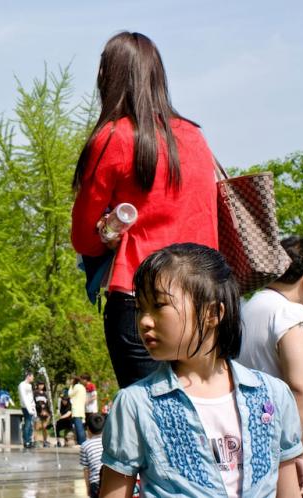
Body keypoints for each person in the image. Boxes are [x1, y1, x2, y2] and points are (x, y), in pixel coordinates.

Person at [71, 32, 220, 389]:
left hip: (143, 296)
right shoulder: (195, 136)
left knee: (149, 422)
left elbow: (83, 239)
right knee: (202, 415)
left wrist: (108, 233)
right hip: (204, 298)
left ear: (109, 75)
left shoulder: (114, 136)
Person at [100, 243, 303, 497]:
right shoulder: (135, 404)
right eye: (141, 308)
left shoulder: (273, 395)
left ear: (212, 313)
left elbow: (288, 491)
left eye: (159, 305)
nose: (144, 320)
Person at [237, 236, 303, 495]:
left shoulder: (247, 309)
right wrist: (300, 456)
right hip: (294, 458)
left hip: (256, 449)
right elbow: (301, 386)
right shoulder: (292, 313)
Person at [80, 413, 106, 498]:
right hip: (108, 479)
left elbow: (86, 470)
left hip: (95, 483)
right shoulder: (108, 442)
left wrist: (88, 487)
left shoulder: (85, 446)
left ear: (88, 429)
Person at [17, 371, 35, 449]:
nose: (33, 378)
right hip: (25, 407)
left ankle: (29, 440)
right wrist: (29, 409)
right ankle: (26, 441)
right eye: (32, 376)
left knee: (30, 424)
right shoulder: (22, 385)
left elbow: (31, 397)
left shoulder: (29, 386)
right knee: (27, 423)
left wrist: (33, 407)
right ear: (28, 376)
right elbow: (24, 397)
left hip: (31, 407)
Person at [68, 376, 87, 445]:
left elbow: (70, 394)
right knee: (81, 427)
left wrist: (70, 386)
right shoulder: (83, 387)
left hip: (76, 410)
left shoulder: (76, 387)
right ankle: (83, 442)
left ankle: (82, 443)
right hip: (81, 409)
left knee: (79, 428)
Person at [33, 382, 51, 447]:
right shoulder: (35, 393)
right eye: (40, 384)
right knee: (37, 427)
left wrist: (47, 412)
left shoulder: (45, 394)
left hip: (45, 413)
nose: (41, 386)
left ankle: (45, 441)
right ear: (37, 385)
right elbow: (35, 403)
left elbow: (47, 404)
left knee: (44, 427)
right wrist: (40, 410)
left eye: (42, 385)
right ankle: (36, 441)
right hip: (38, 413)